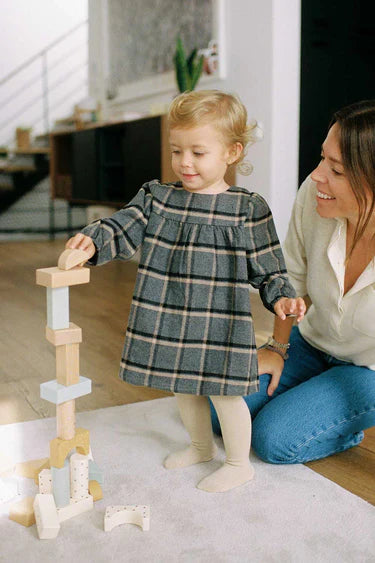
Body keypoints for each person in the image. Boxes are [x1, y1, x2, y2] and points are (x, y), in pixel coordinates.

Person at [66, 89, 305, 492]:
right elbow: (123, 224)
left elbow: (269, 266)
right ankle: (199, 447)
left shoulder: (248, 208)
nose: (184, 162)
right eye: (177, 151)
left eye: (198, 152)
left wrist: (280, 295)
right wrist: (94, 239)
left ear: (232, 152)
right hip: (171, 311)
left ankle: (236, 463)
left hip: (221, 319)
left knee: (225, 393)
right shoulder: (158, 198)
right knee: (183, 385)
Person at [211, 99, 375, 465]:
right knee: (220, 409)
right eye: (321, 159)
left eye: (336, 169)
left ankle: (346, 427)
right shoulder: (315, 197)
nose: (317, 175)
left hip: (366, 371)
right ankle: (310, 397)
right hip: (312, 343)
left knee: (275, 440)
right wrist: (277, 348)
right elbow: (291, 280)